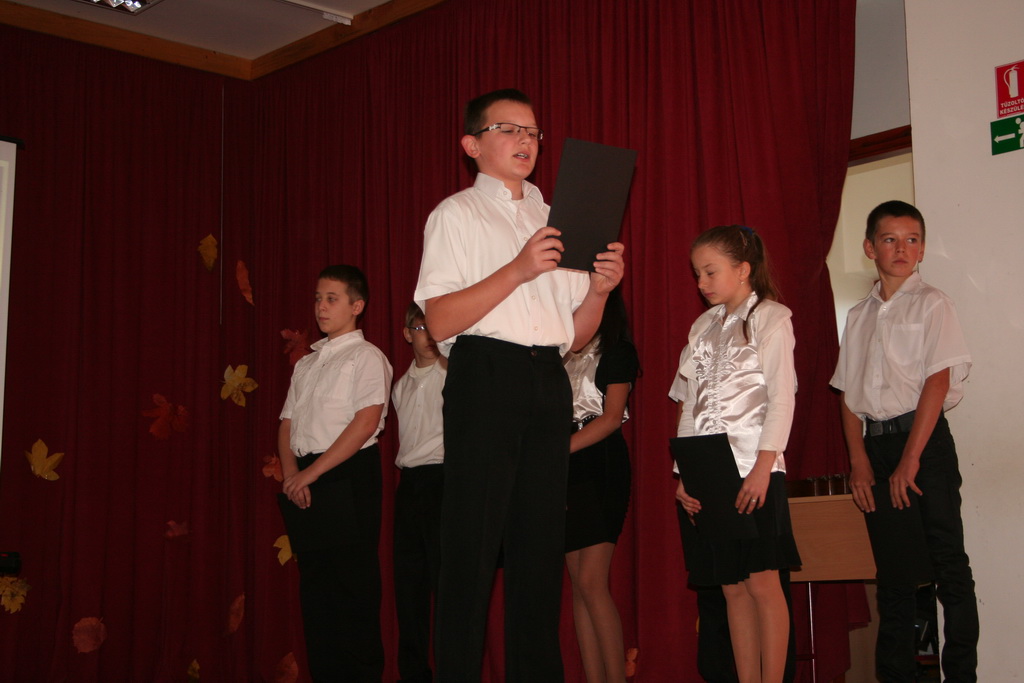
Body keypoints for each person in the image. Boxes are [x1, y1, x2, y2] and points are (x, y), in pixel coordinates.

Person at [413, 88, 625, 682]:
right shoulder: (455, 214)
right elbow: (439, 321)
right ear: (472, 145)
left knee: (539, 551)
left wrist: (600, 292)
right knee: (471, 546)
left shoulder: (557, 218)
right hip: (484, 375)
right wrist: (518, 268)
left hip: (547, 382)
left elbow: (575, 337)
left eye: (532, 132)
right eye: (508, 129)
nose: (525, 141)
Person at [830, 200, 978, 683]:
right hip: (876, 448)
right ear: (870, 247)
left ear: (923, 249)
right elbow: (848, 393)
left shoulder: (933, 302)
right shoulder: (858, 315)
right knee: (893, 576)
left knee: (948, 566)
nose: (901, 249)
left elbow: (937, 381)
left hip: (925, 445)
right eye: (890, 239)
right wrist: (859, 460)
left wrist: (911, 459)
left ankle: (961, 675)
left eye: (912, 240)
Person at [673, 225, 800, 683]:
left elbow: (782, 399)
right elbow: (690, 404)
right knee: (731, 589)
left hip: (753, 467)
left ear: (743, 270)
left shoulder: (771, 317)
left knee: (763, 583)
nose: (701, 282)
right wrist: (684, 475)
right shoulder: (702, 327)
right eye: (697, 273)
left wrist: (764, 468)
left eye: (711, 271)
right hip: (710, 472)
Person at [278, 265, 393, 682]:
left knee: (352, 590)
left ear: (356, 306)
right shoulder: (306, 365)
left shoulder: (366, 357)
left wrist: (310, 475)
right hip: (306, 477)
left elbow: (365, 423)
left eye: (331, 299)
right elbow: (287, 424)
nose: (321, 307)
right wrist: (293, 475)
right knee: (316, 593)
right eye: (317, 298)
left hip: (347, 473)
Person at [563, 288, 639, 683]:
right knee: (578, 584)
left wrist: (557, 451)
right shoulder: (561, 353)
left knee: (593, 581)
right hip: (565, 469)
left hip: (600, 463)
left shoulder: (617, 350)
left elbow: (611, 418)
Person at [391, 302, 447, 683]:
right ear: (407, 333)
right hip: (409, 485)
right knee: (409, 586)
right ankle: (413, 674)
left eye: (432, 326)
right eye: (420, 327)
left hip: (443, 479)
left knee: (446, 585)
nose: (427, 335)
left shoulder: (453, 375)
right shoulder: (400, 386)